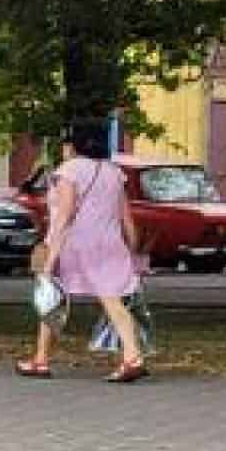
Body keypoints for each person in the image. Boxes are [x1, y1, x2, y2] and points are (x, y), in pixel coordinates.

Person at [21, 118, 150, 383]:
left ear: (74, 144)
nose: (64, 148)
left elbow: (65, 214)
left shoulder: (68, 171)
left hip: (75, 245)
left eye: (67, 143)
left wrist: (51, 252)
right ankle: (132, 356)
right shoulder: (114, 172)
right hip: (110, 243)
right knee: (113, 300)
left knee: (52, 300)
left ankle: (41, 359)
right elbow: (125, 217)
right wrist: (133, 246)